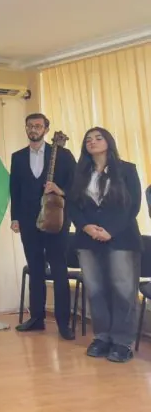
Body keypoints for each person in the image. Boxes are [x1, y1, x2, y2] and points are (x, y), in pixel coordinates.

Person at [67, 127, 142, 363]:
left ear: (109, 142)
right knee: (95, 290)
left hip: (122, 239)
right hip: (87, 240)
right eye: (88, 139)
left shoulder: (127, 169)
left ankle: (122, 342)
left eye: (98, 138)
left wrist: (110, 230)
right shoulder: (80, 174)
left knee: (123, 291)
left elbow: (133, 205)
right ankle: (102, 337)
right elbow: (71, 206)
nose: (93, 142)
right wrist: (86, 227)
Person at [9, 113, 76, 340]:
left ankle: (63, 323)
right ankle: (37, 318)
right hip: (29, 221)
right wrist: (15, 218)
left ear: (46, 129)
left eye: (38, 126)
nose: (33, 129)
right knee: (36, 269)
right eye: (30, 126)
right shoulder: (18, 157)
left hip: (56, 220)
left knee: (59, 270)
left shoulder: (63, 155)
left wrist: (60, 189)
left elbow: (76, 184)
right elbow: (15, 190)